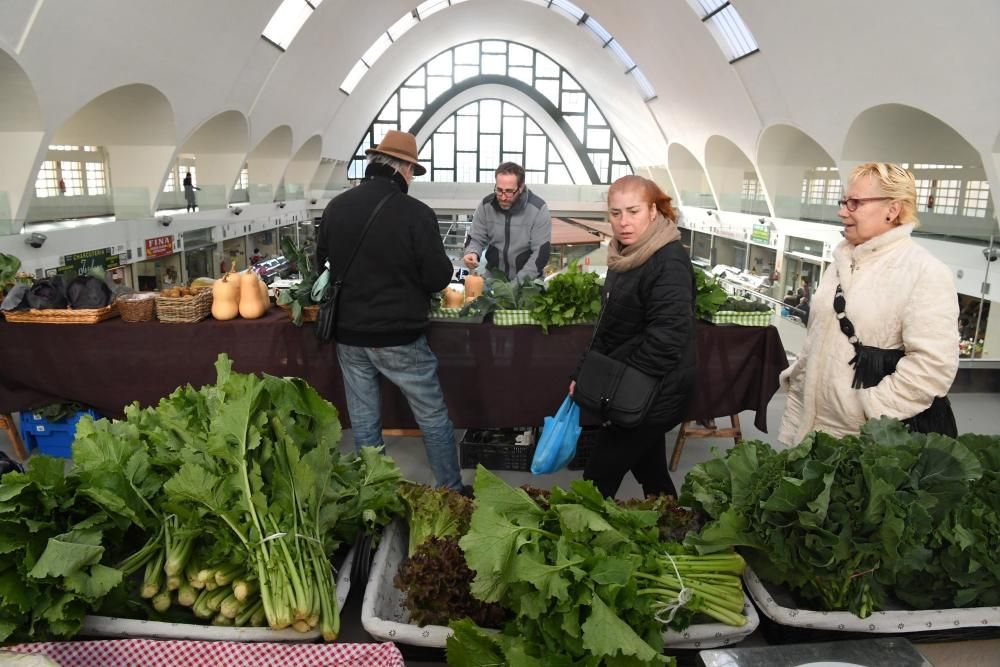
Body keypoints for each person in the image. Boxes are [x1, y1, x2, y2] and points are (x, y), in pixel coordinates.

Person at [315, 130, 463, 491]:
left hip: (349, 335)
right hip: (398, 336)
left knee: (364, 417)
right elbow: (437, 276)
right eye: (412, 171)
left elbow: (323, 264)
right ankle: (450, 490)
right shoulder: (416, 214)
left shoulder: (337, 207)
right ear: (405, 168)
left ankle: (373, 489)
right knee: (431, 414)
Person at [778, 162, 959, 446]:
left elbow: (933, 366)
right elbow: (819, 336)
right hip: (811, 428)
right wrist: (797, 380)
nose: (842, 211)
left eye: (855, 203)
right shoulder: (840, 263)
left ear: (893, 210)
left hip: (865, 441)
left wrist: (870, 409)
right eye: (843, 201)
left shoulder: (925, 272)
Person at [569, 175, 697, 499]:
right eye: (615, 213)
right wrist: (583, 374)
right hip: (640, 391)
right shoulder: (623, 255)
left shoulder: (668, 261)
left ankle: (580, 544)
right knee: (652, 474)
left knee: (596, 481)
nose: (623, 222)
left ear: (653, 212)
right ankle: (678, 531)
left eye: (633, 211)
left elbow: (666, 340)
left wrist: (615, 385)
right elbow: (608, 326)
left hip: (654, 391)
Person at [462, 162, 551, 281]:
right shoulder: (486, 205)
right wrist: (472, 252)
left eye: (509, 191)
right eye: (499, 190)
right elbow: (475, 237)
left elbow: (540, 254)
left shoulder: (538, 209)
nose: (503, 197)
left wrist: (516, 285)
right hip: (494, 280)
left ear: (521, 187)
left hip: (528, 283)